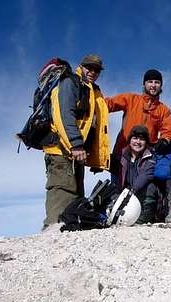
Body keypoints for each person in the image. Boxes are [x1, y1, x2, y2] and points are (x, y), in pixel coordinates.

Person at [42, 54, 110, 229]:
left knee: (75, 197)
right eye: (89, 67)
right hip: (62, 151)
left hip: (76, 153)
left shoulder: (92, 90)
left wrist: (95, 158)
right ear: (82, 66)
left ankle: (65, 235)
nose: (92, 72)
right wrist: (76, 144)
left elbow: (93, 127)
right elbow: (63, 116)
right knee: (62, 191)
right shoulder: (70, 83)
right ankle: (52, 234)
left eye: (97, 70)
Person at [106, 69, 171, 158]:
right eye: (150, 82)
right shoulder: (131, 99)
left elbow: (168, 131)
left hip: (146, 157)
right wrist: (92, 103)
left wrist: (164, 140)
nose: (153, 85)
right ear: (144, 84)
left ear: (161, 86)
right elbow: (107, 104)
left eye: (157, 82)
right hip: (123, 152)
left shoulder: (164, 110)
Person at [114, 125, 157, 224]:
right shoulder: (121, 156)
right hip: (126, 192)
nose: (138, 142)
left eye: (142, 139)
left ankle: (144, 217)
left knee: (151, 187)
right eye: (135, 138)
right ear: (129, 140)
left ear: (146, 142)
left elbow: (147, 175)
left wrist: (132, 190)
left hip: (139, 192)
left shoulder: (151, 156)